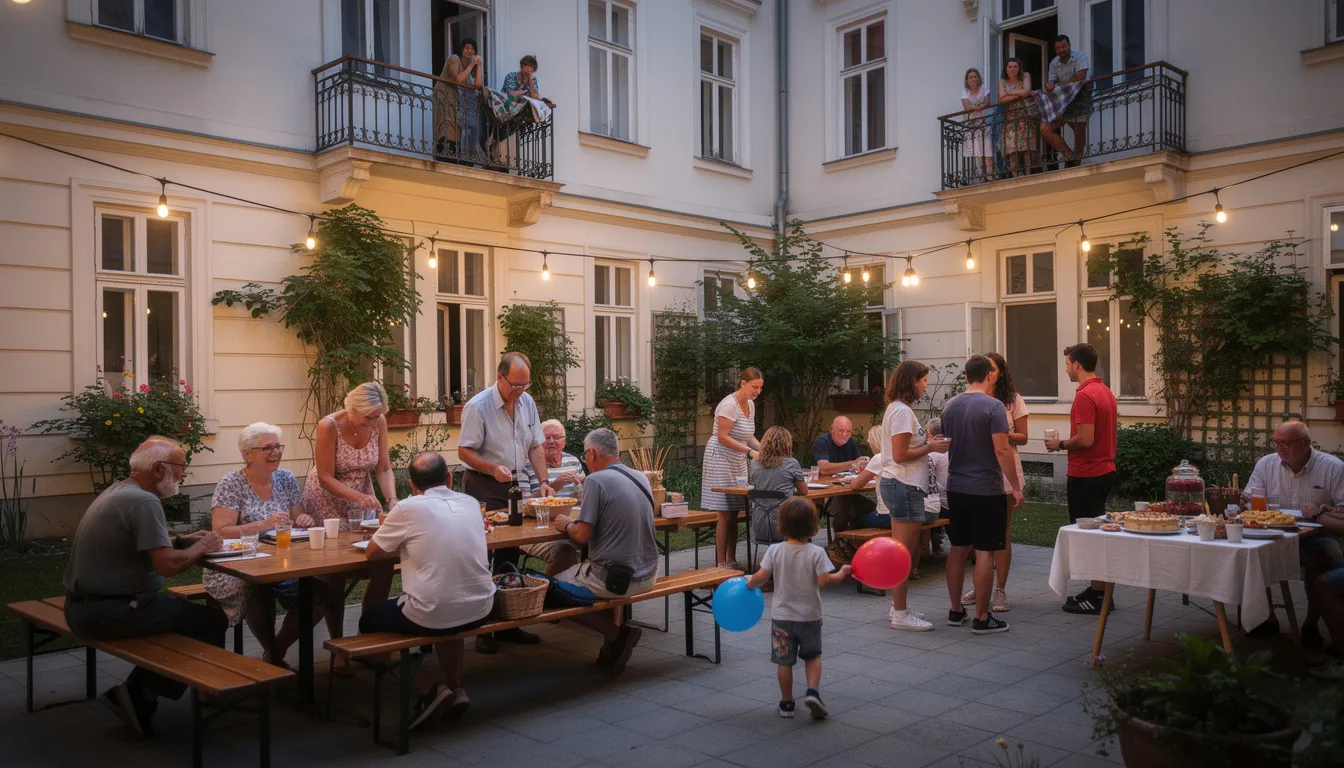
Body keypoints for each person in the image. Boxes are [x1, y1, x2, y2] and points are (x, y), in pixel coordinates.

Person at [63, 436, 227, 738]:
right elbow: (166, 565)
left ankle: (135, 692)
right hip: (111, 611)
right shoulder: (144, 501)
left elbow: (142, 547)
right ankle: (145, 695)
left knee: (185, 619)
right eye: (180, 467)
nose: (184, 474)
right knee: (212, 620)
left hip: (84, 607)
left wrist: (180, 541)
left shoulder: (119, 491)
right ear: (157, 469)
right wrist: (202, 546)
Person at [360, 452, 496, 729]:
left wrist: (393, 528)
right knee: (448, 612)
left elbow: (373, 553)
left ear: (412, 486)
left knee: (367, 623)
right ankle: (456, 687)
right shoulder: (470, 503)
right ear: (449, 478)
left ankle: (427, 688)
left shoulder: (408, 508)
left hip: (433, 610)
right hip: (482, 606)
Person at [205, 423, 326, 667]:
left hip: (283, 560)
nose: (276, 452)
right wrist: (263, 524)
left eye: (278, 446)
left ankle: (275, 652)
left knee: (320, 594)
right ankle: (273, 655)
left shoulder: (286, 478)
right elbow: (221, 532)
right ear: (247, 454)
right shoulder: (231, 483)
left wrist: (303, 519)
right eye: (267, 448)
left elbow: (297, 518)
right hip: (239, 564)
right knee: (258, 590)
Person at [458, 351, 551, 653]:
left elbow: (536, 445)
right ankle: (483, 629)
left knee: (510, 550)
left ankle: (509, 623)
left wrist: (544, 481)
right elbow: (464, 452)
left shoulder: (527, 402)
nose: (520, 392)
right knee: (485, 553)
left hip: (514, 482)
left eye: (525, 385)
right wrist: (491, 468)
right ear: (499, 377)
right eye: (515, 385)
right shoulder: (478, 407)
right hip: (484, 484)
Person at [550, 428, 658, 677]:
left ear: (591, 453)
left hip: (614, 580)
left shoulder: (596, 480)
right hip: (648, 575)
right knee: (601, 564)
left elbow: (582, 535)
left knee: (547, 590)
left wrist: (565, 524)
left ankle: (615, 635)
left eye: (585, 456)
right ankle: (610, 645)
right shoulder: (640, 477)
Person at [303, 381, 395, 660]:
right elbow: (325, 476)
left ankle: (368, 632)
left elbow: (384, 466)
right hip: (328, 498)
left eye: (377, 416)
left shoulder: (378, 422)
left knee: (380, 561)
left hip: (362, 496)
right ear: (352, 409)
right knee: (335, 573)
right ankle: (339, 646)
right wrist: (356, 497)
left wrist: (391, 499)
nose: (373, 422)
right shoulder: (328, 425)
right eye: (368, 417)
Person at [745, 497, 852, 721]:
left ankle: (787, 702)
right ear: (814, 526)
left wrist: (749, 584)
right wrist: (841, 574)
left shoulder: (774, 551)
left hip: (782, 619)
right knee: (812, 656)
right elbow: (824, 582)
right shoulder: (816, 553)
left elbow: (762, 577)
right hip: (810, 617)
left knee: (784, 661)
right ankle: (812, 691)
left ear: (781, 525)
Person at [1242, 420, 1344, 644]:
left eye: (1286, 443)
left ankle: (1310, 624)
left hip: (1315, 535)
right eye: (1276, 443)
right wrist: (1240, 502)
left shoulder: (1332, 467)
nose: (1279, 449)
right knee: (1250, 556)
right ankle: (1265, 617)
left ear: (1306, 443)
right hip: (1270, 533)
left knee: (1326, 557)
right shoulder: (1266, 464)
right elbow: (1249, 499)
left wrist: (1323, 512)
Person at [942, 355, 1023, 635]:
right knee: (985, 550)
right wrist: (1015, 486)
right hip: (985, 488)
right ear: (990, 375)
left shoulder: (949, 406)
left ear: (966, 377)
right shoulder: (994, 407)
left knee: (958, 548)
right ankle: (982, 616)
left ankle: (955, 610)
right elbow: (1002, 450)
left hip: (956, 486)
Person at [880, 360, 951, 632]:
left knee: (902, 551)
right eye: (923, 380)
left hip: (901, 484)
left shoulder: (899, 410)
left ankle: (898, 606)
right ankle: (900, 614)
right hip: (903, 484)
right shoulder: (901, 412)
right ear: (911, 381)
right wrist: (931, 446)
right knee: (904, 554)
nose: (925, 385)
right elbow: (900, 455)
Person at [1046, 343, 1117, 616]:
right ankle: (1100, 590)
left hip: (1088, 473)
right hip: (1104, 470)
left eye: (1066, 363)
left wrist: (1059, 444)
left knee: (1089, 538)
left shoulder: (1086, 396)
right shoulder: (1105, 391)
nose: (1065, 368)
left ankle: (1099, 596)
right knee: (1097, 534)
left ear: (1076, 364)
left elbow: (1085, 439)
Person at [961, 353, 1028, 613]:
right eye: (986, 367)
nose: (989, 372)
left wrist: (1003, 432)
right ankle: (980, 587)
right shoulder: (970, 397)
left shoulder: (1012, 400)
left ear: (1000, 371)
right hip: (977, 471)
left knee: (1002, 531)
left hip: (1005, 469)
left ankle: (1000, 590)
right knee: (978, 532)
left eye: (993, 367)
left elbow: (1023, 437)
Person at [701, 368, 764, 569]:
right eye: (754, 387)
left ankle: (732, 559)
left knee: (737, 510)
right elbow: (722, 437)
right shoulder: (728, 405)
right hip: (720, 457)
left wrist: (764, 450)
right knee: (724, 512)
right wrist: (749, 452)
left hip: (737, 458)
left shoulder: (751, 405)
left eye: (760, 387)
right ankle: (721, 563)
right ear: (743, 383)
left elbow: (748, 435)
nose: (757, 391)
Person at [521, 419, 585, 575]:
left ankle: (586, 590)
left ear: (564, 441)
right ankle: (550, 592)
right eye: (546, 437)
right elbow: (521, 505)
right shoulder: (526, 465)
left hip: (572, 524)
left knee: (601, 542)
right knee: (565, 551)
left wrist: (588, 486)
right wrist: (555, 484)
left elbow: (583, 495)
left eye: (556, 437)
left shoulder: (573, 461)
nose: (551, 442)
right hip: (537, 530)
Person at [813, 416, 876, 535]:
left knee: (870, 507)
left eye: (848, 431)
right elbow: (824, 469)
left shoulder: (851, 442)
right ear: (832, 429)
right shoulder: (822, 441)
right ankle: (838, 541)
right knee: (847, 507)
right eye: (841, 430)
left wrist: (863, 464)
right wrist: (852, 463)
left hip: (846, 489)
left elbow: (857, 466)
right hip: (826, 491)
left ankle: (848, 539)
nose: (845, 434)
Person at [749, 427, 809, 549]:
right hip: (785, 527)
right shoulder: (792, 463)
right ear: (788, 444)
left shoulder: (754, 463)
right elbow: (804, 491)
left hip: (759, 526)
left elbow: (753, 485)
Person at [1040, 34, 1091, 165]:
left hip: (1080, 99)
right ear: (1055, 49)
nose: (1061, 50)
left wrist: (1059, 85)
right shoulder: (1054, 63)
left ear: (1069, 45)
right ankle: (1069, 154)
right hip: (1062, 102)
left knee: (1079, 133)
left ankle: (1077, 163)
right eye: (1058, 48)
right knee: (1044, 128)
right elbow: (1051, 83)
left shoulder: (1080, 56)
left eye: (1064, 46)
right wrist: (1049, 86)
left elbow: (1081, 76)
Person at [919, 417, 951, 576]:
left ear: (930, 435)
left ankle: (924, 550)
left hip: (944, 505)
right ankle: (936, 536)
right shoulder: (953, 448)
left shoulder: (933, 453)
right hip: (957, 499)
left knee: (928, 502)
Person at [998, 57, 1035, 176]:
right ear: (1006, 69)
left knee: (1026, 147)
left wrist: (1009, 92)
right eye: (1010, 67)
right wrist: (1019, 93)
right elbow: (1001, 99)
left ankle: (1028, 173)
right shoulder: (1002, 82)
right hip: (1010, 119)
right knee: (1011, 148)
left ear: (1019, 68)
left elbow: (1027, 91)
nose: (1012, 69)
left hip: (1024, 116)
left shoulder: (1025, 76)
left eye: (1015, 66)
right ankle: (1015, 175)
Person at [960, 68, 994, 184]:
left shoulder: (984, 89)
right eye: (970, 77)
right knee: (977, 150)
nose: (973, 79)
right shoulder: (965, 91)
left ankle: (990, 174)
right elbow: (966, 106)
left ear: (978, 78)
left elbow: (987, 102)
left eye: (975, 76)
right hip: (971, 123)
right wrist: (976, 107)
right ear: (967, 80)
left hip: (983, 120)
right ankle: (982, 175)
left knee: (987, 147)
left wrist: (974, 107)